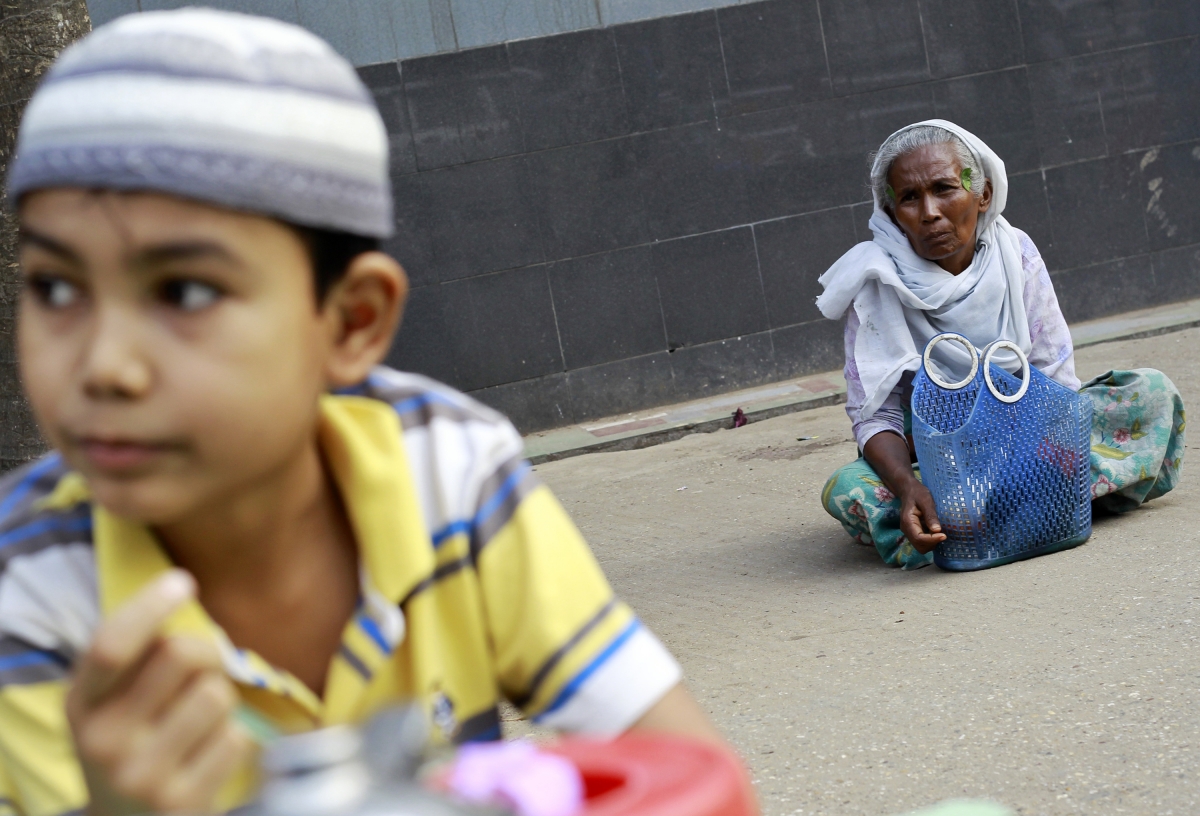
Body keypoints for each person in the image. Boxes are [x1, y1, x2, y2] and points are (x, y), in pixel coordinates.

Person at [0, 10, 734, 816]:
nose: (104, 366)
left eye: (185, 291)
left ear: (352, 322)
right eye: (56, 287)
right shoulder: (30, 593)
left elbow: (689, 777)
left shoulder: (445, 476)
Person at [817, 120, 1185, 570]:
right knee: (849, 489)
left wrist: (1026, 456)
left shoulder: (1017, 252)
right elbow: (875, 415)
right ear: (893, 214)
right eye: (910, 198)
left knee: (1149, 393)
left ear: (983, 194)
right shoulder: (872, 283)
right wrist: (911, 487)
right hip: (939, 457)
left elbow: (1053, 375)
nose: (930, 211)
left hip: (1027, 429)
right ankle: (1022, 508)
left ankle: (978, 518)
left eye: (945, 188)